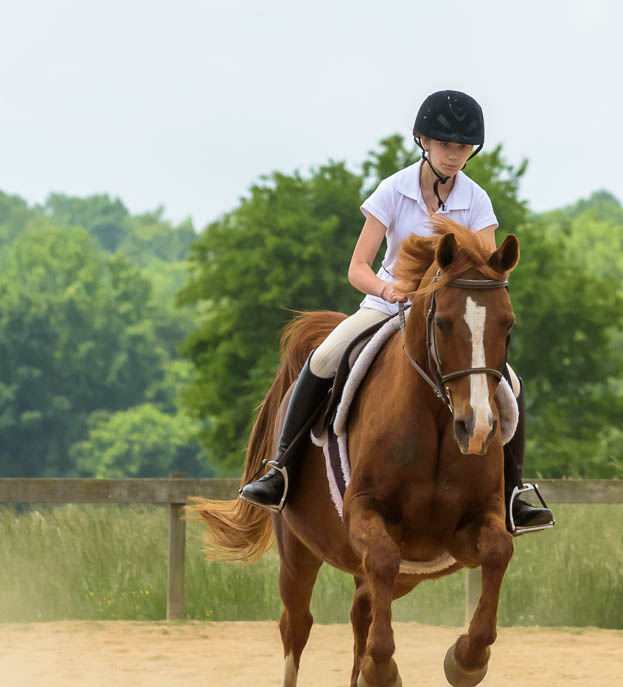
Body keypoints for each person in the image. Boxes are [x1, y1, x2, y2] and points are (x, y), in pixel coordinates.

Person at [236, 89, 554, 534]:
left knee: (510, 385)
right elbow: (357, 267)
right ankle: (280, 470)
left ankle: (515, 493)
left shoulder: (476, 200)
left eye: (463, 147)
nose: (454, 156)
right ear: (423, 141)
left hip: (446, 321)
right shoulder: (393, 189)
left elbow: (482, 270)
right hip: (387, 307)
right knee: (324, 358)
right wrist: (391, 289)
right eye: (445, 145)